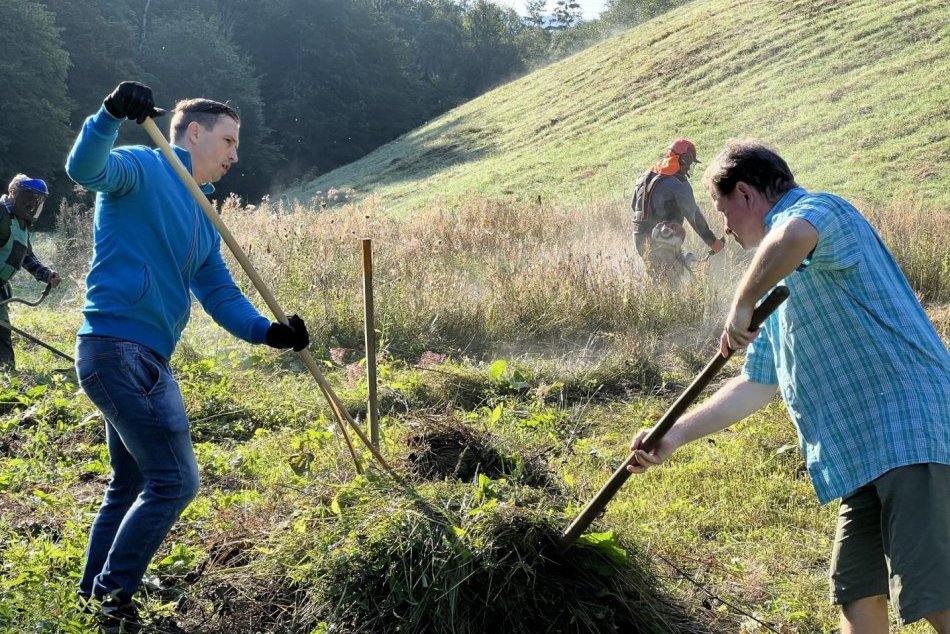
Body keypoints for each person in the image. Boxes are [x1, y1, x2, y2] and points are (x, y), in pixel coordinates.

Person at [627, 139, 950, 632]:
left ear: (747, 195)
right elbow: (755, 385)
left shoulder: (818, 211)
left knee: (933, 591)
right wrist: (671, 437)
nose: (727, 229)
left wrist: (741, 301)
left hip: (909, 430)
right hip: (861, 453)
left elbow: (791, 235)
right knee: (857, 593)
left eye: (723, 211)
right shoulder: (782, 289)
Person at [65, 81, 311, 633]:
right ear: (194, 133)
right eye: (228, 141)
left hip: (145, 356)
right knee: (176, 481)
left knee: (128, 484)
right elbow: (85, 170)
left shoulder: (204, 217)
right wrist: (107, 115)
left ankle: (92, 594)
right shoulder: (144, 168)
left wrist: (270, 333)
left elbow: (220, 294)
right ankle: (113, 598)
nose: (234, 155)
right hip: (116, 348)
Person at [631, 138, 724, 283]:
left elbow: (633, 206)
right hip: (663, 240)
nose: (689, 169)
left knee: (657, 281)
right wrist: (713, 242)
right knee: (672, 286)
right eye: (690, 163)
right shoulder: (678, 183)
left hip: (639, 239)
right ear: (684, 159)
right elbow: (694, 216)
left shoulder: (645, 176)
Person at [0, 175, 62, 369]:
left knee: (2, 334)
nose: (33, 204)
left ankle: (7, 379)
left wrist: (46, 274)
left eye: (38, 200)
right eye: (29, 198)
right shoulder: (1, 214)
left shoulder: (20, 224)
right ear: (14, 193)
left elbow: (27, 257)